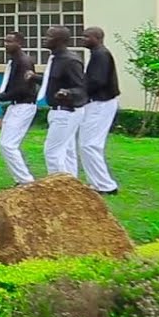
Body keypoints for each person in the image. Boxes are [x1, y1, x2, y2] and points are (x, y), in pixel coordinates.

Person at [29, 26, 89, 179]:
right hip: (57, 111)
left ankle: (57, 188)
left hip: (67, 111)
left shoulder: (70, 61)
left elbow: (81, 88)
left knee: (52, 152)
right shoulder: (55, 58)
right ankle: (71, 186)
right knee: (67, 152)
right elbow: (52, 81)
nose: (44, 39)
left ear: (60, 40)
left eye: (49, 36)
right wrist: (35, 77)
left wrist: (68, 92)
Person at [0, 32, 37, 186]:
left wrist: (0, 98)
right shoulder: (14, 61)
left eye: (10, 41)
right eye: (5, 41)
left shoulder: (23, 61)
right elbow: (13, 82)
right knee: (4, 143)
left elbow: (23, 88)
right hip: (16, 106)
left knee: (8, 144)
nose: (6, 44)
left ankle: (26, 181)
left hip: (23, 106)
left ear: (20, 43)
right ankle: (21, 179)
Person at [80, 26, 121, 195]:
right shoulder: (97, 54)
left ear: (97, 38)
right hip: (98, 103)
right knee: (88, 144)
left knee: (89, 144)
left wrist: (77, 89)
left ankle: (106, 185)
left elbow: (97, 81)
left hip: (101, 103)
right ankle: (97, 183)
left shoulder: (100, 55)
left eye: (86, 37)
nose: (83, 39)